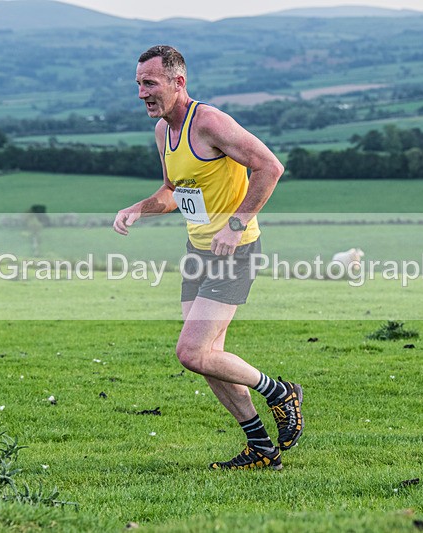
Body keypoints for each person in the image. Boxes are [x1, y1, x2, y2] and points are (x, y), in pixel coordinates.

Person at [113, 45, 303, 470]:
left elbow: (269, 167)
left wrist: (234, 227)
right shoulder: (164, 131)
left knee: (191, 352)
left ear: (178, 83)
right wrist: (137, 209)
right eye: (138, 84)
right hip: (198, 251)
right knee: (207, 357)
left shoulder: (211, 122)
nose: (142, 92)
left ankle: (280, 392)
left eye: (150, 83)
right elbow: (171, 192)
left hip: (235, 252)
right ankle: (261, 448)